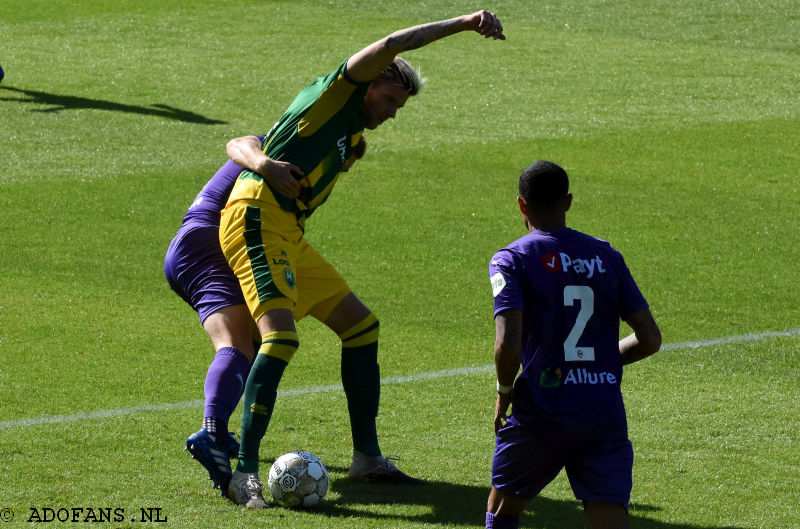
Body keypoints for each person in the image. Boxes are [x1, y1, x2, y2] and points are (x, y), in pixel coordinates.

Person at [219, 10, 506, 508]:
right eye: (391, 99)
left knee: (361, 327)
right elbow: (393, 42)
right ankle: (243, 471)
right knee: (281, 337)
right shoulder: (334, 94)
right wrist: (465, 22)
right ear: (370, 84)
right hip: (255, 217)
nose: (394, 111)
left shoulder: (349, 136)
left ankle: (367, 458)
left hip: (288, 233)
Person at [164, 135, 365, 495]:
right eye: (343, 164)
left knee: (257, 343)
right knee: (239, 344)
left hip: (199, 243)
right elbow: (239, 143)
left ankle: (220, 435)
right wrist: (265, 164)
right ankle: (212, 433)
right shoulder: (285, 142)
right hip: (208, 241)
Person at [485, 161, 661, 529]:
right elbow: (650, 338)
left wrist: (504, 390)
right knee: (608, 512)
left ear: (521, 205)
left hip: (542, 409)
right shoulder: (606, 255)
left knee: (504, 503)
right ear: (568, 202)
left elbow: (508, 344)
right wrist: (598, 366)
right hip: (602, 410)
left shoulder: (511, 259)